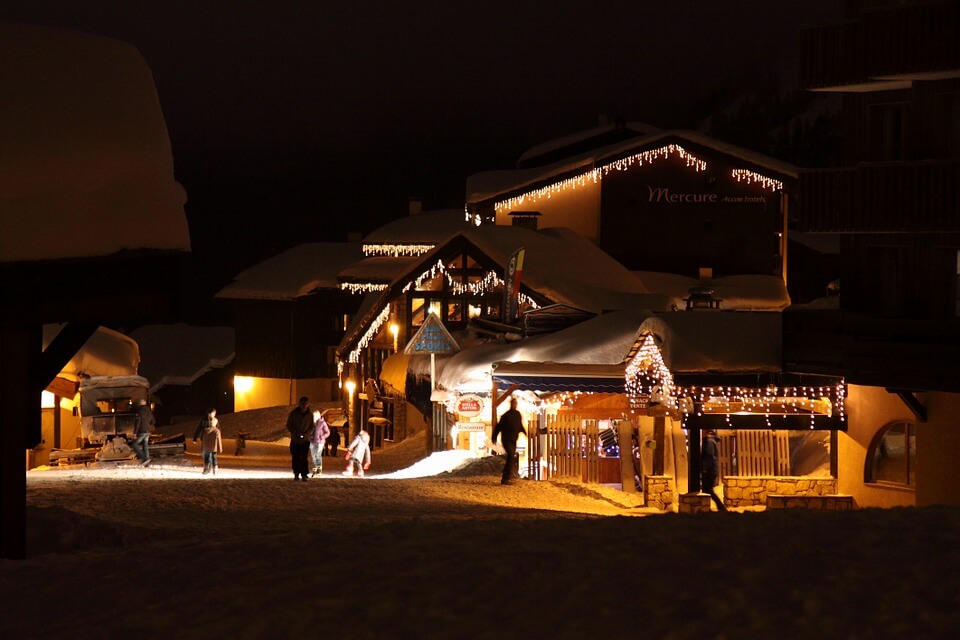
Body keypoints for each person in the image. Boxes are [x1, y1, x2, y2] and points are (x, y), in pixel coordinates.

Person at [491, 396, 527, 485]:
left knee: (511, 457)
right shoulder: (506, 415)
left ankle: (506, 475)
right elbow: (498, 427)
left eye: (515, 403)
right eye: (513, 403)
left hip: (514, 439)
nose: (514, 405)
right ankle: (505, 477)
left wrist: (525, 432)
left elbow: (520, 425)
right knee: (511, 456)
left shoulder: (518, 415)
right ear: (511, 404)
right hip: (506, 439)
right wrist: (494, 437)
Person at [286, 396, 313, 481]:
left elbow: (311, 426)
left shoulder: (310, 415)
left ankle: (304, 474)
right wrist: (295, 432)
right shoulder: (293, 414)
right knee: (296, 457)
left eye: (306, 403)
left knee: (304, 458)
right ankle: (296, 473)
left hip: (305, 440)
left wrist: (306, 433)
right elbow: (289, 425)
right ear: (300, 404)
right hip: (295, 440)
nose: (304, 405)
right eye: (303, 403)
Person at [700, 429, 728, 512]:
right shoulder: (710, 441)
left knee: (708, 490)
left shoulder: (709, 441)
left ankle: (721, 508)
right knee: (707, 490)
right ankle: (716, 508)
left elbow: (709, 456)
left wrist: (705, 468)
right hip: (711, 469)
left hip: (710, 470)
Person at [130, 398, 155, 466]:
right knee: (145, 446)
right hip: (147, 431)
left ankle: (144, 458)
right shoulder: (149, 411)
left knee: (134, 444)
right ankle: (147, 462)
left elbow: (138, 423)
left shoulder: (140, 411)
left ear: (139, 404)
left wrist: (135, 433)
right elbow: (153, 421)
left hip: (142, 431)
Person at [199, 409, 223, 476]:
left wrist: (202, 447)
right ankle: (215, 470)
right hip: (214, 447)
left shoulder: (205, 431)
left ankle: (206, 469)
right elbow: (219, 440)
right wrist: (220, 448)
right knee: (214, 457)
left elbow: (203, 440)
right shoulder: (217, 431)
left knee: (207, 457)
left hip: (206, 447)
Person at [309, 409, 331, 477]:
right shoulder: (311, 423)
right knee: (313, 456)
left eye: (314, 416)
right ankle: (314, 470)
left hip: (320, 442)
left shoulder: (322, 422)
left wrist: (322, 437)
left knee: (318, 455)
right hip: (312, 441)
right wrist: (309, 436)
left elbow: (328, 432)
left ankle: (318, 471)